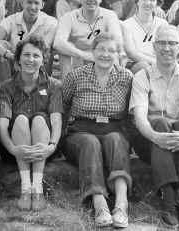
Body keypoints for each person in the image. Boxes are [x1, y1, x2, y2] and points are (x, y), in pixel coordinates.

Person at [129, 25, 179, 230]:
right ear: (154, 46)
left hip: (178, 140)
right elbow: (140, 118)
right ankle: (169, 202)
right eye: (162, 43)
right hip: (148, 141)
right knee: (160, 123)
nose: (167, 48)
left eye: (172, 43)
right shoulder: (142, 76)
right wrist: (155, 136)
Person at [62, 33, 133, 228]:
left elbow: (130, 112)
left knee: (116, 140)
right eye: (101, 49)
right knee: (90, 142)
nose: (106, 54)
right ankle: (99, 201)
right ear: (92, 52)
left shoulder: (126, 77)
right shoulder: (76, 75)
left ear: (118, 55)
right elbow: (63, 106)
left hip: (113, 127)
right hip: (80, 130)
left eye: (111, 51)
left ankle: (121, 202)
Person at [0, 36, 62, 211]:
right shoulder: (6, 87)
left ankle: (37, 188)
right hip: (14, 148)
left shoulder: (54, 85)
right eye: (26, 55)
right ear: (18, 59)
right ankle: (26, 188)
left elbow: (56, 121)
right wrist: (12, 148)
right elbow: (2, 125)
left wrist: (52, 146)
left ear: (43, 60)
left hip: (44, 147)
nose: (30, 60)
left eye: (36, 55)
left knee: (41, 119)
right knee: (20, 119)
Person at [54, 0, 124, 79]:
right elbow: (58, 43)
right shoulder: (68, 17)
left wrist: (95, 54)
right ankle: (68, 90)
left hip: (103, 59)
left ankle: (108, 89)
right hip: (78, 62)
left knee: (113, 53)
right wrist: (84, 55)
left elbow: (117, 43)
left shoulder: (110, 15)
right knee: (64, 51)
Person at [0, 0, 57, 82]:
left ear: (42, 5)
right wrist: (9, 55)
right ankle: (5, 90)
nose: (33, 7)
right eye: (29, 2)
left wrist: (24, 59)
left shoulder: (51, 22)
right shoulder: (11, 20)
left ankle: (40, 87)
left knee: (44, 53)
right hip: (14, 61)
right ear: (22, 3)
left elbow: (44, 47)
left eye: (36, 3)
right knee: (1, 46)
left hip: (37, 64)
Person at [121, 0, 168, 74]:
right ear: (137, 1)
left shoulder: (163, 24)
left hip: (160, 64)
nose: (148, 3)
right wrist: (156, 63)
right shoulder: (126, 25)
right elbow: (132, 53)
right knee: (145, 67)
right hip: (136, 64)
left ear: (156, 3)